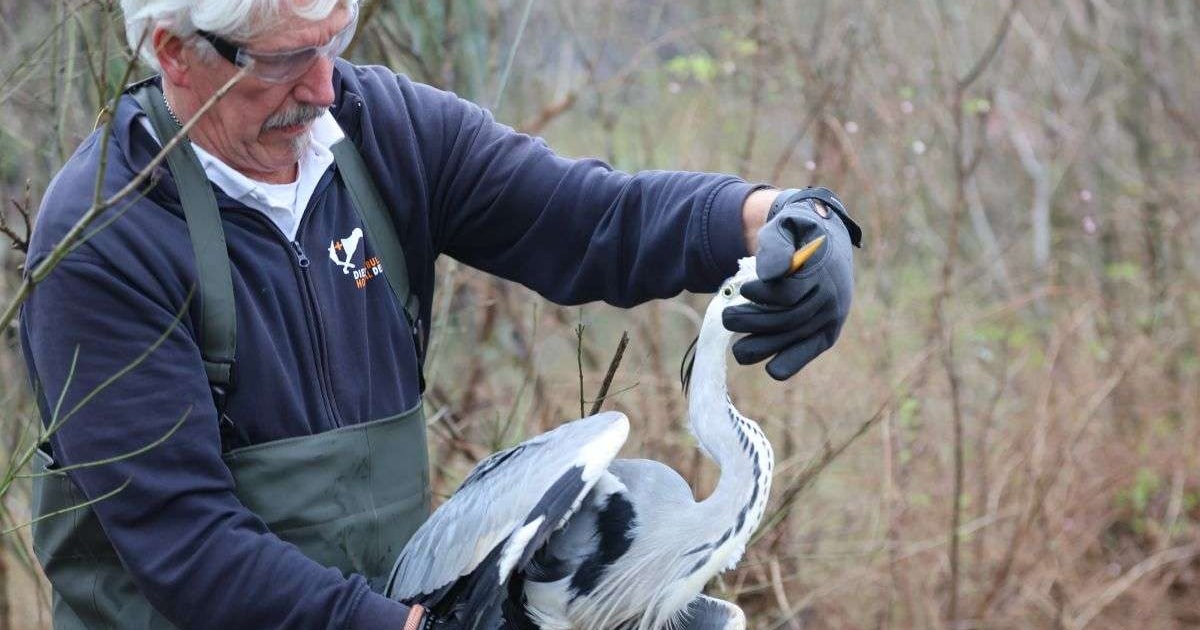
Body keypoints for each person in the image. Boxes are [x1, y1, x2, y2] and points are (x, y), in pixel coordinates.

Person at [19, 0, 861, 628]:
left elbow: (589, 218)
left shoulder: (383, 131)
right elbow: (186, 546)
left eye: (335, 39)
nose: (322, 86)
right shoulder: (105, 240)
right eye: (282, 61)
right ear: (174, 51)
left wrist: (780, 218)